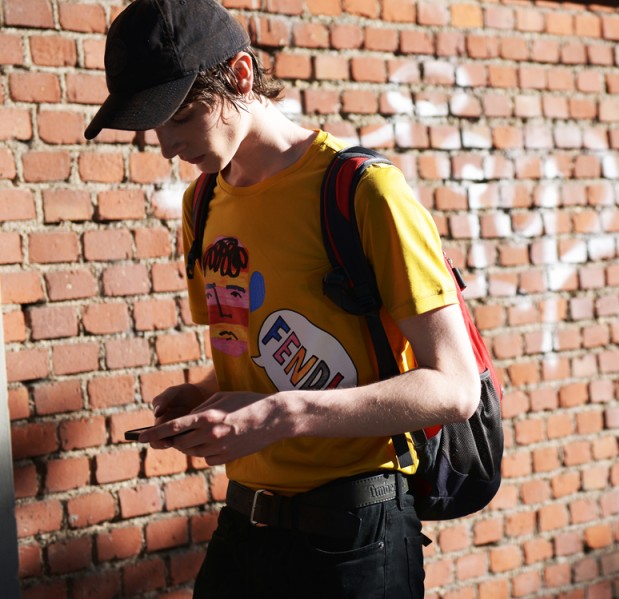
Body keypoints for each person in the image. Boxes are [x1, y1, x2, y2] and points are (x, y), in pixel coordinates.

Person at [85, 0, 479, 597]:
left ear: (241, 76)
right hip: (244, 526)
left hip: (356, 538)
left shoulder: (364, 192)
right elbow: (257, 355)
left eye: (181, 116)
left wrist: (281, 415)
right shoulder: (202, 206)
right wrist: (205, 396)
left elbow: (454, 388)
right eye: (153, 126)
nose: (166, 146)